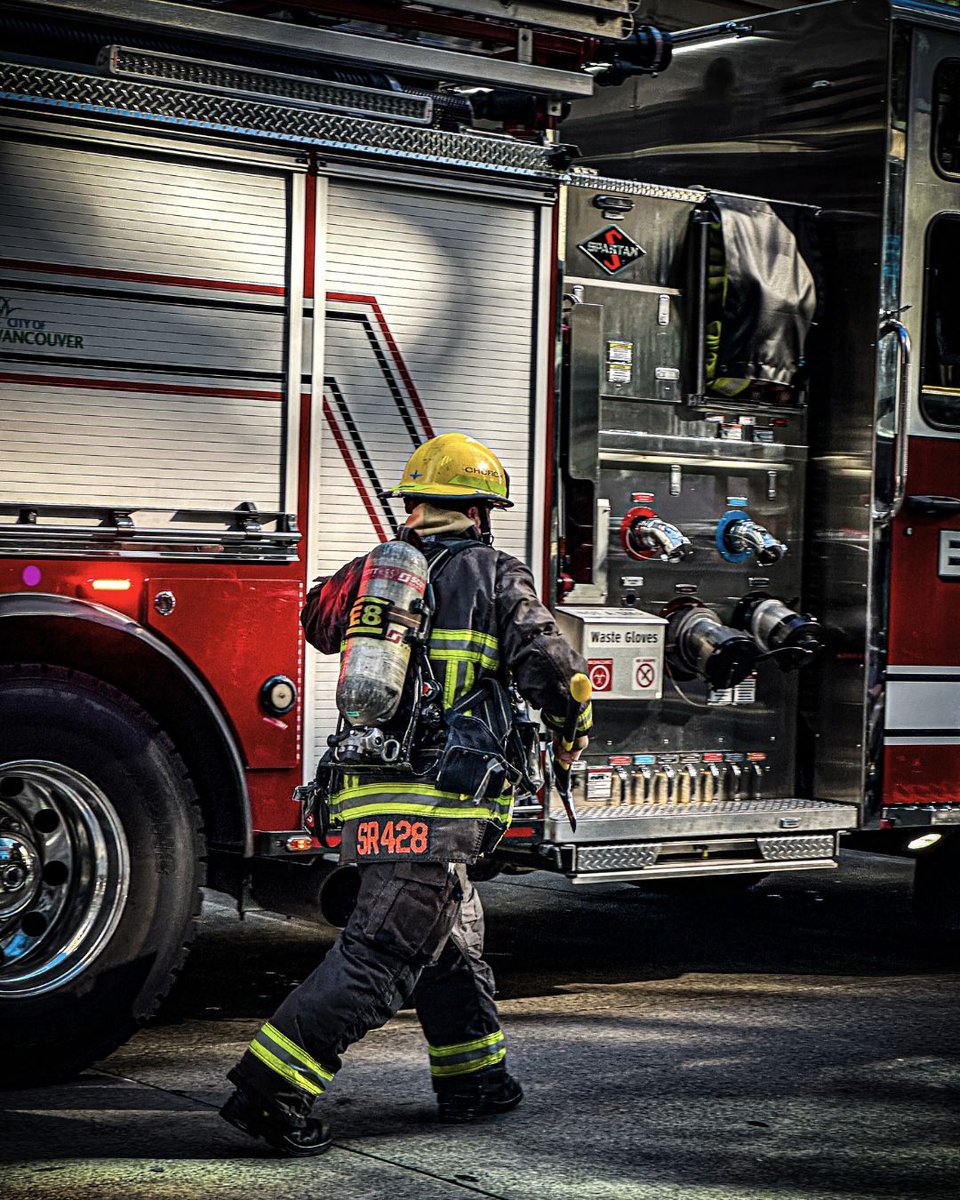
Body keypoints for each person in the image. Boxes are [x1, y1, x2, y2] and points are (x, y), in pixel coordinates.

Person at [220, 433, 591, 1155]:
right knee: (383, 951)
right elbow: (559, 672)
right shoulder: (496, 576)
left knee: (442, 939)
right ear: (482, 509)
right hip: (440, 801)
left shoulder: (373, 572)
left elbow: (315, 620)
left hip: (363, 793)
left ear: (412, 506)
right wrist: (572, 734)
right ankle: (269, 1092)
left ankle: (477, 1081)